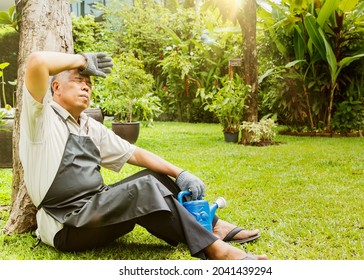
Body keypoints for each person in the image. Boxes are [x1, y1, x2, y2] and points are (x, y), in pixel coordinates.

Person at [20, 51, 268, 260]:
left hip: (96, 208)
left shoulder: (87, 124)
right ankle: (217, 251)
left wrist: (179, 173)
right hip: (67, 224)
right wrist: (82, 60)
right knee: (144, 188)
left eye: (90, 83)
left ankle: (214, 225)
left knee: (155, 176)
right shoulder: (41, 120)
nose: (86, 86)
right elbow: (36, 62)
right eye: (78, 80)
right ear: (56, 87)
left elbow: (134, 153)